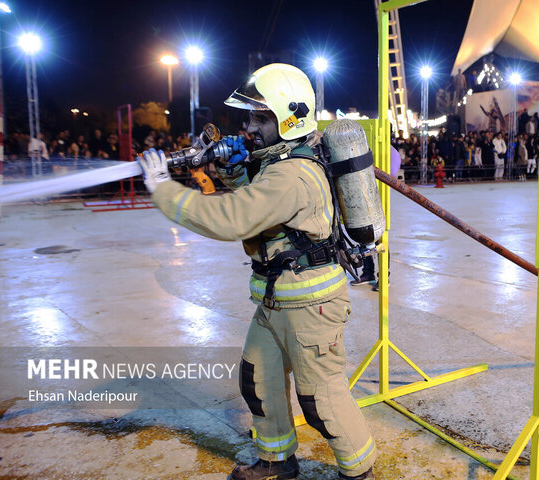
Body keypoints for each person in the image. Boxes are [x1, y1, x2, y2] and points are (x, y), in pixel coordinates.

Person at [137, 63, 376, 480]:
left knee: (323, 399)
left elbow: (233, 217)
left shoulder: (291, 174)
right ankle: (277, 461)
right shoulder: (278, 164)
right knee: (258, 379)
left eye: (261, 118)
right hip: (276, 299)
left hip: (311, 306)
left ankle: (360, 471)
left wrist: (164, 190)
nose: (249, 126)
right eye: (250, 116)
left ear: (289, 118)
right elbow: (257, 189)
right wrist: (230, 167)